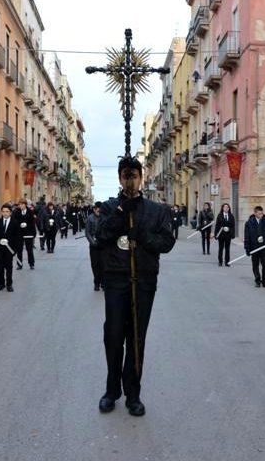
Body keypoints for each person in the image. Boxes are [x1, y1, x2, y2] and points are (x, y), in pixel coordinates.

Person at [95, 156, 175, 417]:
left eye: (134, 175)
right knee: (114, 335)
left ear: (142, 178)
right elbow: (101, 236)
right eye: (126, 175)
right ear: (120, 178)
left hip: (143, 281)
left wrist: (141, 235)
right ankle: (111, 390)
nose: (130, 180)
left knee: (137, 338)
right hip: (116, 279)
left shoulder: (157, 210)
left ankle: (133, 393)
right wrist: (121, 212)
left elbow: (166, 243)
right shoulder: (109, 208)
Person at [0, 204, 19, 292]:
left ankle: (9, 284)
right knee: (0, 267)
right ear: (1, 212)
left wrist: (15, 249)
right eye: (3, 212)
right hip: (0, 249)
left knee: (9, 267)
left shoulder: (14, 222)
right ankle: (1, 283)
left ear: (10, 212)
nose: (5, 213)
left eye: (7, 212)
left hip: (9, 249)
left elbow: (17, 237)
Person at [244, 206, 265, 288]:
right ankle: (257, 280)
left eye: (262, 213)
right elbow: (247, 236)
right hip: (254, 247)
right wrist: (247, 248)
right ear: (255, 213)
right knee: (255, 265)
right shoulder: (249, 223)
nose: (261, 215)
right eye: (259, 213)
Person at [85, 201, 104, 291]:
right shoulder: (90, 218)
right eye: (97, 209)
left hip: (103, 245)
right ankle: (97, 282)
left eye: (100, 209)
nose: (98, 211)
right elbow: (87, 232)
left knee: (103, 264)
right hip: (94, 246)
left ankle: (103, 282)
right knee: (95, 265)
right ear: (94, 209)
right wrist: (93, 242)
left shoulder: (105, 218)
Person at [13, 200, 36, 270]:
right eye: (20, 204)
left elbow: (32, 223)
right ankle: (19, 264)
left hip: (28, 233)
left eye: (22, 204)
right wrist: (19, 225)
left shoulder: (30, 212)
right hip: (19, 233)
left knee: (29, 249)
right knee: (19, 250)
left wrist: (32, 232)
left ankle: (31, 263)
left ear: (25, 205)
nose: (21, 206)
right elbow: (14, 221)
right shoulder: (16, 212)